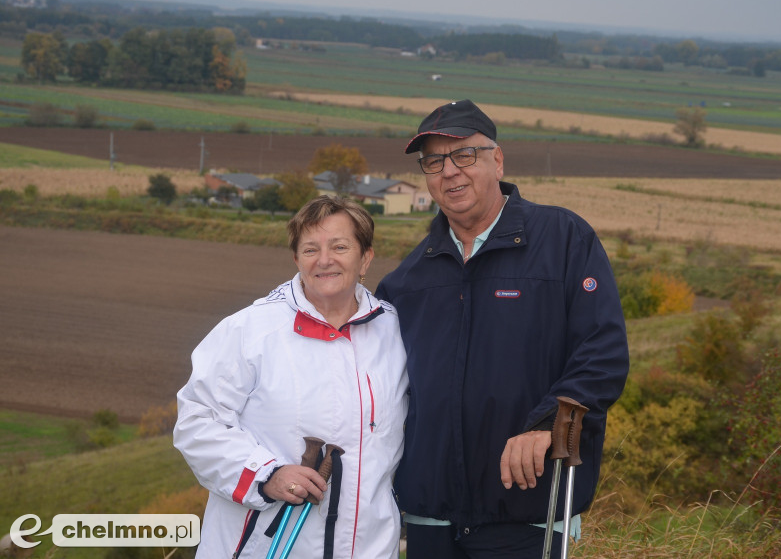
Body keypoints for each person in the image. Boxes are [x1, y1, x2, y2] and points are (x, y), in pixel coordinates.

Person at [375, 99, 630, 558]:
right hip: (430, 517)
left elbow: (602, 354)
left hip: (528, 510)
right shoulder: (405, 282)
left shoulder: (564, 240)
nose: (449, 171)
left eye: (464, 154)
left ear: (497, 160)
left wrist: (548, 424)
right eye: (434, 161)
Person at [174, 195, 408, 559]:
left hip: (370, 549)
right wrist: (265, 475)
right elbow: (197, 422)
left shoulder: (396, 332)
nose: (324, 260)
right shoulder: (249, 331)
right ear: (297, 260)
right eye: (310, 249)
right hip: (264, 549)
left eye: (340, 247)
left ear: (365, 258)